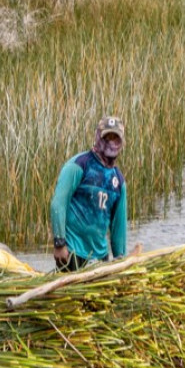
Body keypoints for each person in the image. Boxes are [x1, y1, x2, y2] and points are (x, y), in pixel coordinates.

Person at [50, 116, 128, 272]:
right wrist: (59, 243)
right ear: (98, 136)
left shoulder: (118, 181)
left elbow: (119, 227)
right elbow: (58, 203)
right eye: (107, 137)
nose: (110, 142)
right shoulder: (79, 165)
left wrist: (122, 262)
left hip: (100, 259)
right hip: (71, 253)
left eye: (115, 137)